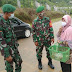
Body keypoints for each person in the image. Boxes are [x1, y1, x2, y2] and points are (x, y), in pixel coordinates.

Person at [0, 4, 22, 72]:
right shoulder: (1, 23)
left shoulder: (9, 21)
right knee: (9, 68)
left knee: (19, 62)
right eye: (12, 13)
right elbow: (1, 40)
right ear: (6, 13)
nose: (13, 14)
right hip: (8, 50)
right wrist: (7, 55)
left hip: (14, 48)